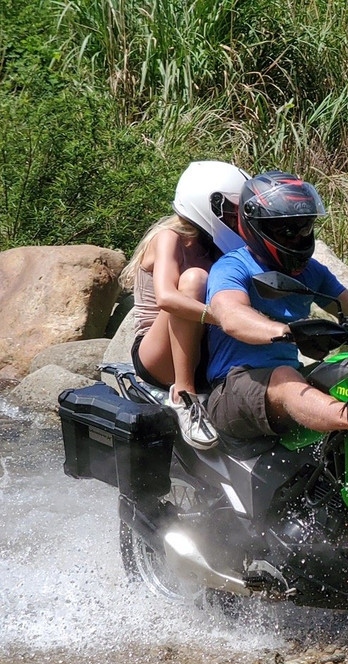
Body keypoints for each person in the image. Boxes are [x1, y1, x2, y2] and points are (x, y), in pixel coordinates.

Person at [203, 170, 348, 447]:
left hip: (289, 379)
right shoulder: (233, 266)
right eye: (287, 230)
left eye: (304, 228)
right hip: (232, 388)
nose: (298, 238)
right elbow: (231, 316)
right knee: (284, 377)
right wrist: (288, 332)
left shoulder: (312, 272)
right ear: (256, 226)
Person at [121, 160, 250, 449]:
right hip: (158, 356)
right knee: (194, 279)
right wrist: (226, 318)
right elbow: (167, 298)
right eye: (231, 213)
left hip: (203, 351)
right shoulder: (168, 238)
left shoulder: (219, 247)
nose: (236, 220)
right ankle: (184, 396)